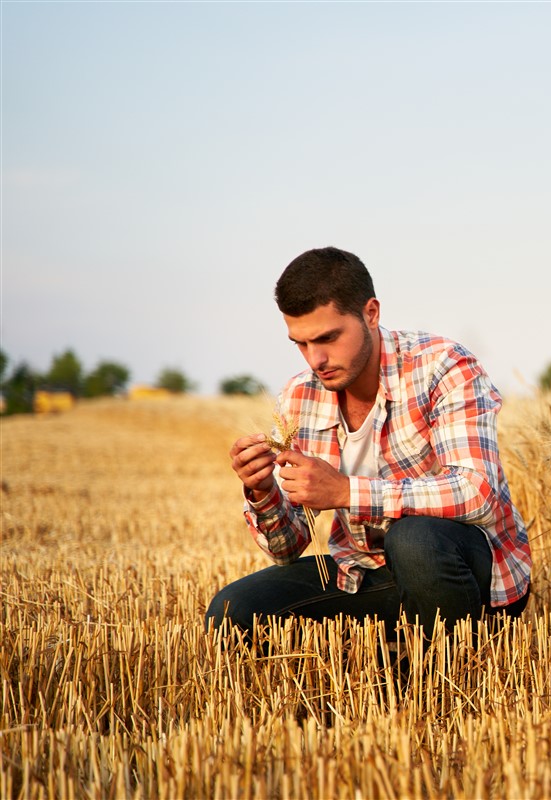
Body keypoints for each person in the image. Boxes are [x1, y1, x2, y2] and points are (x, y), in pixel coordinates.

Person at [206, 247, 532, 645]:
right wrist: (262, 491)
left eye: (328, 338)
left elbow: (476, 492)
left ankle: (447, 680)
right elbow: (287, 548)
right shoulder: (299, 396)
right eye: (301, 344)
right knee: (231, 612)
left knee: (413, 539)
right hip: (365, 573)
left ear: (371, 313)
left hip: (467, 576)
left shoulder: (443, 366)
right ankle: (385, 668)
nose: (317, 359)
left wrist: (345, 491)